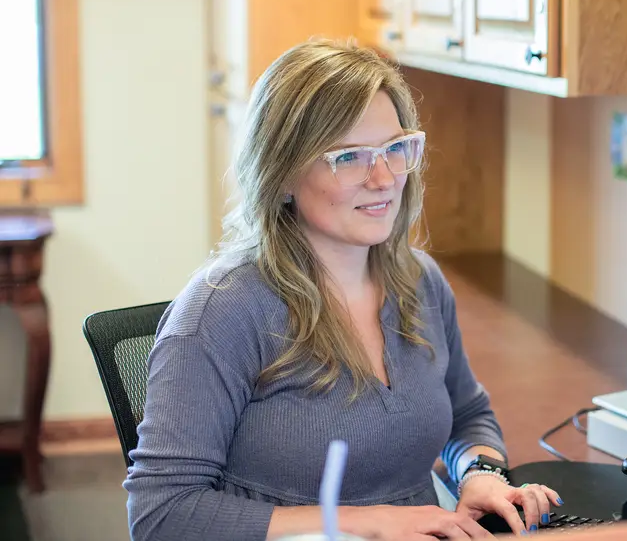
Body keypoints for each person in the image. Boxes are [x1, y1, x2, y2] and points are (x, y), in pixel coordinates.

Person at [124, 39, 560, 540]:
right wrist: (369, 522)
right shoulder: (222, 312)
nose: (383, 178)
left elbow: (468, 413)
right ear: (282, 172)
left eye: (396, 149)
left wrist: (481, 473)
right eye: (349, 157)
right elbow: (161, 515)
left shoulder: (420, 282)